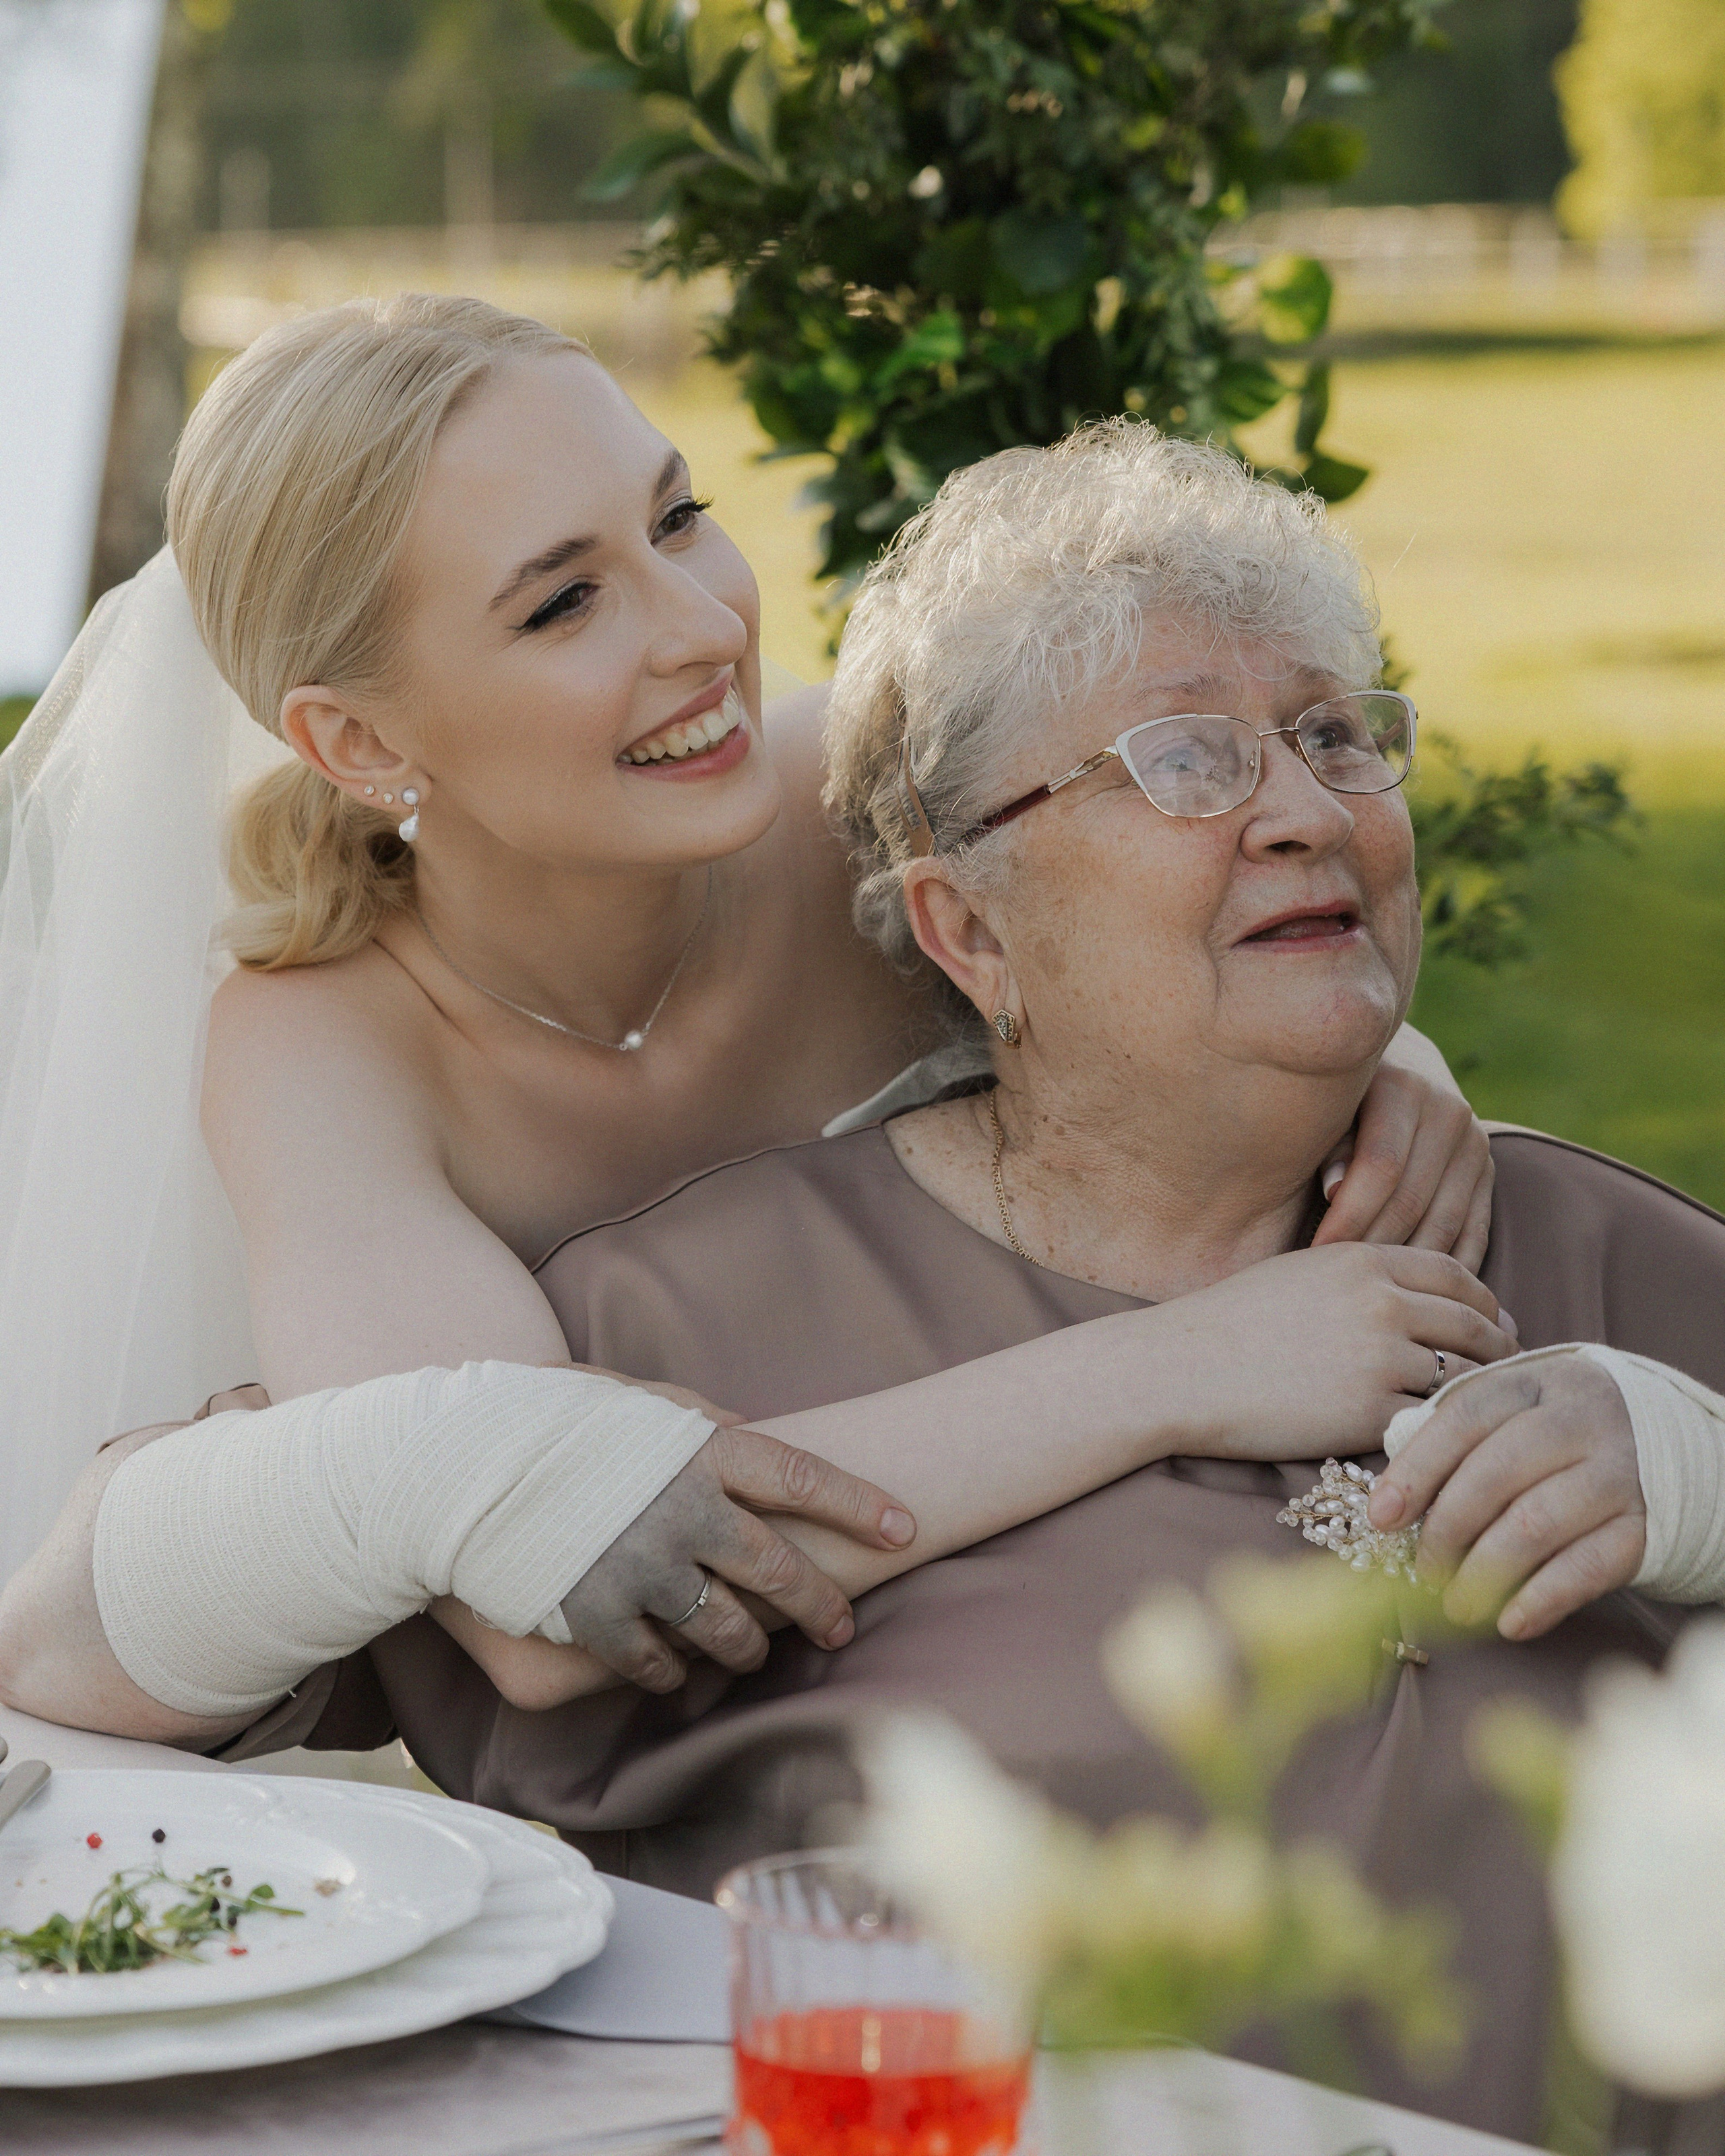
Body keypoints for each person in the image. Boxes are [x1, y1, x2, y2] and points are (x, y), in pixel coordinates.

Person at [50, 422, 1720, 2145]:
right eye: (1180, 763)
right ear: (965, 933)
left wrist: (1694, 1471)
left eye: (1329, 739)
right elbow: (79, 1636)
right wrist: (417, 1473)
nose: (1303, 812)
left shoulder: (1574, 1248)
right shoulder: (667, 1335)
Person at [0, 296, 1490, 1681]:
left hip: (1053, 1632)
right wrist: (1185, 1370)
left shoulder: (863, 793)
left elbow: (1218, 905)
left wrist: (1378, 1063)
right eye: (562, 603)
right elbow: (538, 1605)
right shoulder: (322, 1048)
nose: (704, 627)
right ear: (357, 741)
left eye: (677, 519)